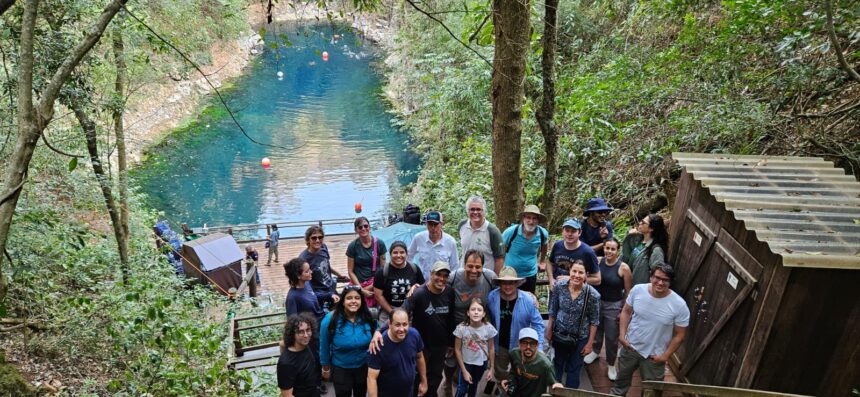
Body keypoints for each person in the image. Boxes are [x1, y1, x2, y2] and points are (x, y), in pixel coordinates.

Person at [610, 263, 689, 396]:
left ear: (670, 282)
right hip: (630, 347)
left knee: (652, 391)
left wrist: (665, 356)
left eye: (665, 280)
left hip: (655, 355)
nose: (660, 282)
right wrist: (622, 336)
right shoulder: (638, 290)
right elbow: (626, 311)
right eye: (657, 277)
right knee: (620, 383)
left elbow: (680, 335)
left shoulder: (679, 305)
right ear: (651, 277)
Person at [443, 249, 497, 397]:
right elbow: (437, 286)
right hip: (457, 327)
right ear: (464, 265)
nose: (474, 270)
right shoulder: (454, 277)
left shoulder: (489, 277)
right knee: (452, 359)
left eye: (478, 267)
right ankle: (447, 382)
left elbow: (506, 290)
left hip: (480, 326)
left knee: (476, 358)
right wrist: (417, 287)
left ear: (483, 267)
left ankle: (471, 385)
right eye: (470, 266)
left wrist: (527, 295)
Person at [402, 261, 456, 397]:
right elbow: (402, 312)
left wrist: (451, 342)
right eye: (438, 274)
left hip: (440, 344)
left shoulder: (449, 291)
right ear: (431, 274)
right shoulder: (419, 293)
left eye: (445, 276)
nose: (441, 279)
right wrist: (380, 332)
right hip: (421, 345)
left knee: (436, 376)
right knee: (418, 375)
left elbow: (451, 318)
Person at [545, 261, 600, 389]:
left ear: (586, 275)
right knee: (557, 364)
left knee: (574, 368)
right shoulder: (560, 287)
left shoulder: (592, 295)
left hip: (580, 337)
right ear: (569, 272)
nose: (576, 275)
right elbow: (553, 310)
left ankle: (571, 392)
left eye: (580, 272)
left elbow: (594, 321)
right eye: (574, 271)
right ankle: (555, 390)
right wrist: (549, 329)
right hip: (560, 333)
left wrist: (589, 343)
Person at [486, 267, 545, 383]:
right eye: (504, 283)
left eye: (511, 283)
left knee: (521, 372)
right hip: (500, 344)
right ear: (500, 283)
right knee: (500, 372)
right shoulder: (492, 297)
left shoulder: (527, 300)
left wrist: (540, 347)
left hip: (520, 345)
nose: (508, 286)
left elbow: (538, 324)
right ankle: (503, 389)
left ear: (517, 283)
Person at [586, 238, 632, 379]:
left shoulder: (623, 268)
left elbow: (628, 290)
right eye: (607, 248)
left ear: (618, 250)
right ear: (604, 248)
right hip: (597, 302)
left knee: (612, 336)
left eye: (612, 249)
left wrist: (623, 310)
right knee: (596, 329)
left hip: (614, 305)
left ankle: (611, 364)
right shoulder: (598, 262)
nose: (609, 251)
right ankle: (595, 351)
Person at [320, 286, 376, 397]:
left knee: (361, 394)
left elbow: (377, 333)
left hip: (363, 367)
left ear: (361, 300)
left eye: (357, 298)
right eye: (349, 298)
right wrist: (326, 368)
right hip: (341, 369)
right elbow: (324, 345)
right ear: (343, 301)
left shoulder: (368, 316)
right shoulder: (330, 319)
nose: (353, 301)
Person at [367, 309, 429, 397]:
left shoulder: (414, 335)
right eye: (397, 325)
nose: (402, 329)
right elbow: (371, 379)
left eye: (405, 324)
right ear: (390, 325)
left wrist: (424, 381)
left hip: (408, 392)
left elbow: (419, 357)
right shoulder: (378, 345)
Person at [374, 240, 425, 326]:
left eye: (402, 252)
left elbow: (423, 288)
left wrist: (416, 286)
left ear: (406, 254)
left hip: (410, 312)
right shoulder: (382, 272)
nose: (398, 255)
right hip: (388, 311)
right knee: (385, 336)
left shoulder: (414, 269)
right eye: (395, 253)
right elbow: (378, 296)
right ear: (390, 254)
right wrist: (392, 312)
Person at [453, 298, 497, 397]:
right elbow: (457, 349)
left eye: (479, 310)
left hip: (481, 363)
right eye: (473, 310)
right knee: (461, 389)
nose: (476, 312)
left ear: (484, 313)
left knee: (474, 386)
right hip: (466, 363)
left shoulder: (489, 328)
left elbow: (491, 348)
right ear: (468, 313)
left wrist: (492, 368)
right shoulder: (461, 328)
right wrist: (464, 371)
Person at [500, 328, 562, 397]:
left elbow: (554, 385)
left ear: (537, 345)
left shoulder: (546, 365)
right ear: (519, 344)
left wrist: (557, 386)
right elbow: (513, 371)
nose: (528, 347)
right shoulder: (514, 354)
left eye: (532, 343)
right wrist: (510, 382)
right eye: (524, 343)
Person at [501, 205, 549, 293]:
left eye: (534, 218)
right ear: (523, 218)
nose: (531, 221)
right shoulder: (511, 232)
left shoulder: (542, 233)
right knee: (509, 302)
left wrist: (542, 261)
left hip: (530, 275)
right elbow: (500, 248)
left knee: (528, 302)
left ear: (538, 220)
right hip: (510, 274)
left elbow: (544, 246)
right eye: (528, 217)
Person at [546, 218, 601, 290]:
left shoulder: (588, 252)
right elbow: (550, 263)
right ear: (562, 231)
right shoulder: (558, 245)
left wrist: (572, 279)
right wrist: (551, 279)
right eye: (567, 230)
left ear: (580, 233)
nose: (569, 234)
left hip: (577, 293)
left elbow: (597, 279)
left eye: (573, 231)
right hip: (557, 290)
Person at [347, 217, 387, 308]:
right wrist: (360, 289)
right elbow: (350, 271)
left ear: (369, 227)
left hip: (376, 282)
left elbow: (383, 269)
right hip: (358, 282)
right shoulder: (353, 246)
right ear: (356, 230)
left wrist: (372, 286)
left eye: (366, 226)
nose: (363, 229)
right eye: (360, 227)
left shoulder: (379, 243)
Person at [457, 196, 505, 273]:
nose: (475, 212)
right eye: (472, 209)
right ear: (467, 211)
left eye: (478, 209)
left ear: (484, 211)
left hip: (484, 278)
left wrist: (494, 281)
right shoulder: (462, 226)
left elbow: (499, 259)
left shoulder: (492, 231)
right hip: (464, 276)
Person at [300, 226, 344, 309]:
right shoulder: (304, 259)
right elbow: (304, 281)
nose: (317, 240)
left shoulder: (323, 247)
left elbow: (326, 265)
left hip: (330, 288)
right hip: (319, 294)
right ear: (308, 240)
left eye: (320, 237)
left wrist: (339, 275)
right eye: (314, 238)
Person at [278, 313, 321, 397]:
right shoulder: (286, 364)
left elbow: (282, 344)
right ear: (292, 334)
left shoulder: (305, 345)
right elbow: (287, 395)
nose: (306, 335)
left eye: (308, 330)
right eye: (300, 332)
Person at [409, 210, 460, 280]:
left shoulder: (450, 242)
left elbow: (455, 266)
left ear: (442, 224)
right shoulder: (418, 238)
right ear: (426, 224)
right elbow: (409, 255)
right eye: (430, 224)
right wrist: (412, 273)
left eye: (435, 224)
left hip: (442, 283)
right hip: (423, 282)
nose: (433, 228)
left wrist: (449, 281)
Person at [622, 213, 668, 285]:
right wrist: (629, 235)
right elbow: (626, 252)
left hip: (639, 288)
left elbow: (658, 274)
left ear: (651, 229)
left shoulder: (656, 250)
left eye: (643, 222)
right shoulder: (639, 241)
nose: (640, 223)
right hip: (628, 284)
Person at [285, 257, 327, 322]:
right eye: (307, 271)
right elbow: (292, 322)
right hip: (313, 328)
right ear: (298, 276)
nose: (311, 272)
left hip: (322, 320)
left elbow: (312, 295)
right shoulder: (292, 297)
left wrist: (329, 295)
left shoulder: (307, 283)